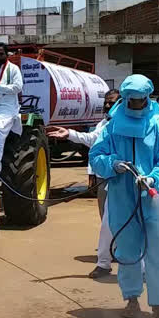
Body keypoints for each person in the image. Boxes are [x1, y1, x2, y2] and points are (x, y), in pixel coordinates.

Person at [89, 75, 159, 318]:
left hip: (155, 196)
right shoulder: (111, 127)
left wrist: (154, 177)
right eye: (131, 101)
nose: (136, 105)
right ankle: (131, 299)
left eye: (140, 101)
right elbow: (96, 155)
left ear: (148, 98)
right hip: (123, 197)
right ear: (125, 99)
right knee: (128, 251)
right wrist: (113, 164)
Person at [47, 89, 121, 278]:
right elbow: (92, 140)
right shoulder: (104, 124)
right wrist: (70, 134)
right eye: (106, 102)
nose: (107, 106)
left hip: (130, 179)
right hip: (108, 179)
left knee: (134, 223)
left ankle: (133, 261)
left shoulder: (135, 124)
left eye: (111, 102)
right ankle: (105, 262)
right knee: (107, 221)